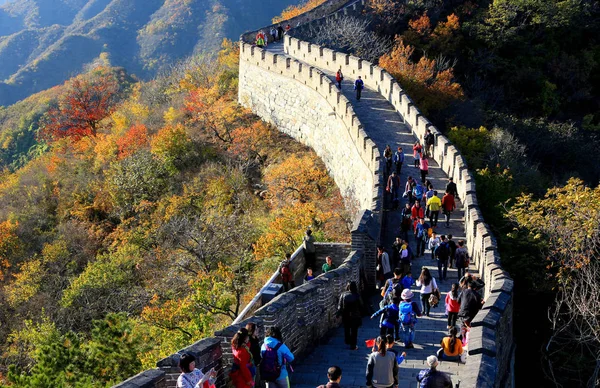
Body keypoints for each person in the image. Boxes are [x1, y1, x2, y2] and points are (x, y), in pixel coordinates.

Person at [337, 281, 363, 350]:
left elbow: (340, 307)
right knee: (354, 331)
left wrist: (338, 314)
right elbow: (361, 305)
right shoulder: (357, 295)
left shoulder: (343, 294)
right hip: (355, 316)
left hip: (346, 316)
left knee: (347, 329)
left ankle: (347, 341)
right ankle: (353, 345)